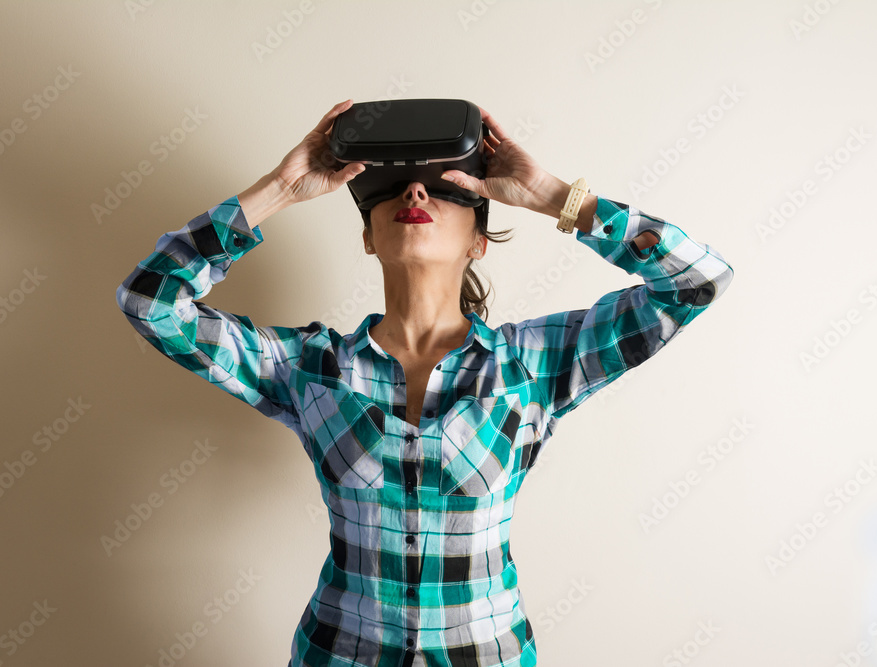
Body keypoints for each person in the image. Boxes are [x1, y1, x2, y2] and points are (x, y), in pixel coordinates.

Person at [116, 98, 734, 667]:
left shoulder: (534, 363)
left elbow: (696, 282)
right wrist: (281, 188)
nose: (414, 190)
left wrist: (551, 196)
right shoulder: (309, 366)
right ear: (367, 237)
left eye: (445, 187)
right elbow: (151, 303)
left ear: (479, 242)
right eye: (390, 189)